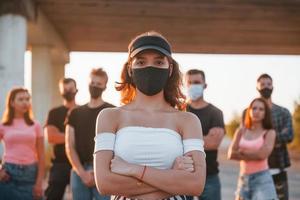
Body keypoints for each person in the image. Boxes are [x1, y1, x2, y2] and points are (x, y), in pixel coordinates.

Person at [94, 31, 206, 200]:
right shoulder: (109, 117)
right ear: (130, 69)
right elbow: (104, 183)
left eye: (159, 61)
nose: (150, 67)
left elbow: (195, 184)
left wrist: (133, 169)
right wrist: (172, 177)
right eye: (141, 61)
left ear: (170, 69)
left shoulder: (188, 121)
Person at [65, 68, 113, 200]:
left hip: (105, 170)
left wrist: (99, 170)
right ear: (87, 83)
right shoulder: (75, 113)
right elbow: (69, 146)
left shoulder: (111, 112)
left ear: (105, 87)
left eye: (99, 84)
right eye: (92, 83)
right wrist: (82, 173)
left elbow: (115, 146)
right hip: (79, 171)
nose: (95, 86)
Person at [185, 69, 225, 200]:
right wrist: (203, 139)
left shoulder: (215, 113)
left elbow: (213, 144)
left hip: (210, 176)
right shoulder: (179, 111)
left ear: (205, 85)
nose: (192, 86)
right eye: (189, 82)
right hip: (183, 176)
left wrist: (184, 139)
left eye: (196, 82)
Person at [228, 98, 277, 200]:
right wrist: (254, 153)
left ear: (265, 113)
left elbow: (262, 155)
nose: (257, 111)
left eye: (261, 109)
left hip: (262, 179)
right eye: (254, 108)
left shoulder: (269, 132)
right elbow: (231, 154)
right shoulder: (241, 131)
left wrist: (241, 153)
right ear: (249, 111)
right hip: (243, 179)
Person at [0, 88, 45, 200]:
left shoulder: (36, 125)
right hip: (8, 175)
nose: (25, 102)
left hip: (30, 174)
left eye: (27, 99)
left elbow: (42, 156)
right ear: (12, 102)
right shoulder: (3, 125)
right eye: (20, 99)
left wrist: (39, 183)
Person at [256, 74, 293, 200]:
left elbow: (288, 135)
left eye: (269, 84)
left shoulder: (283, 112)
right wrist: (275, 137)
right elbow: (246, 138)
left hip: (278, 166)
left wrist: (261, 137)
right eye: (262, 84)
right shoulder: (249, 113)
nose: (266, 87)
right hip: (255, 169)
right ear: (257, 87)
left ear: (273, 87)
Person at [44, 78, 78, 200]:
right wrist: (75, 136)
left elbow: (88, 137)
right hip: (59, 164)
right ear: (61, 92)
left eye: (71, 89)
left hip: (80, 164)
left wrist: (62, 135)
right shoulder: (54, 112)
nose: (68, 91)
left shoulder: (83, 111)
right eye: (65, 89)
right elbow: (52, 137)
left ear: (76, 90)